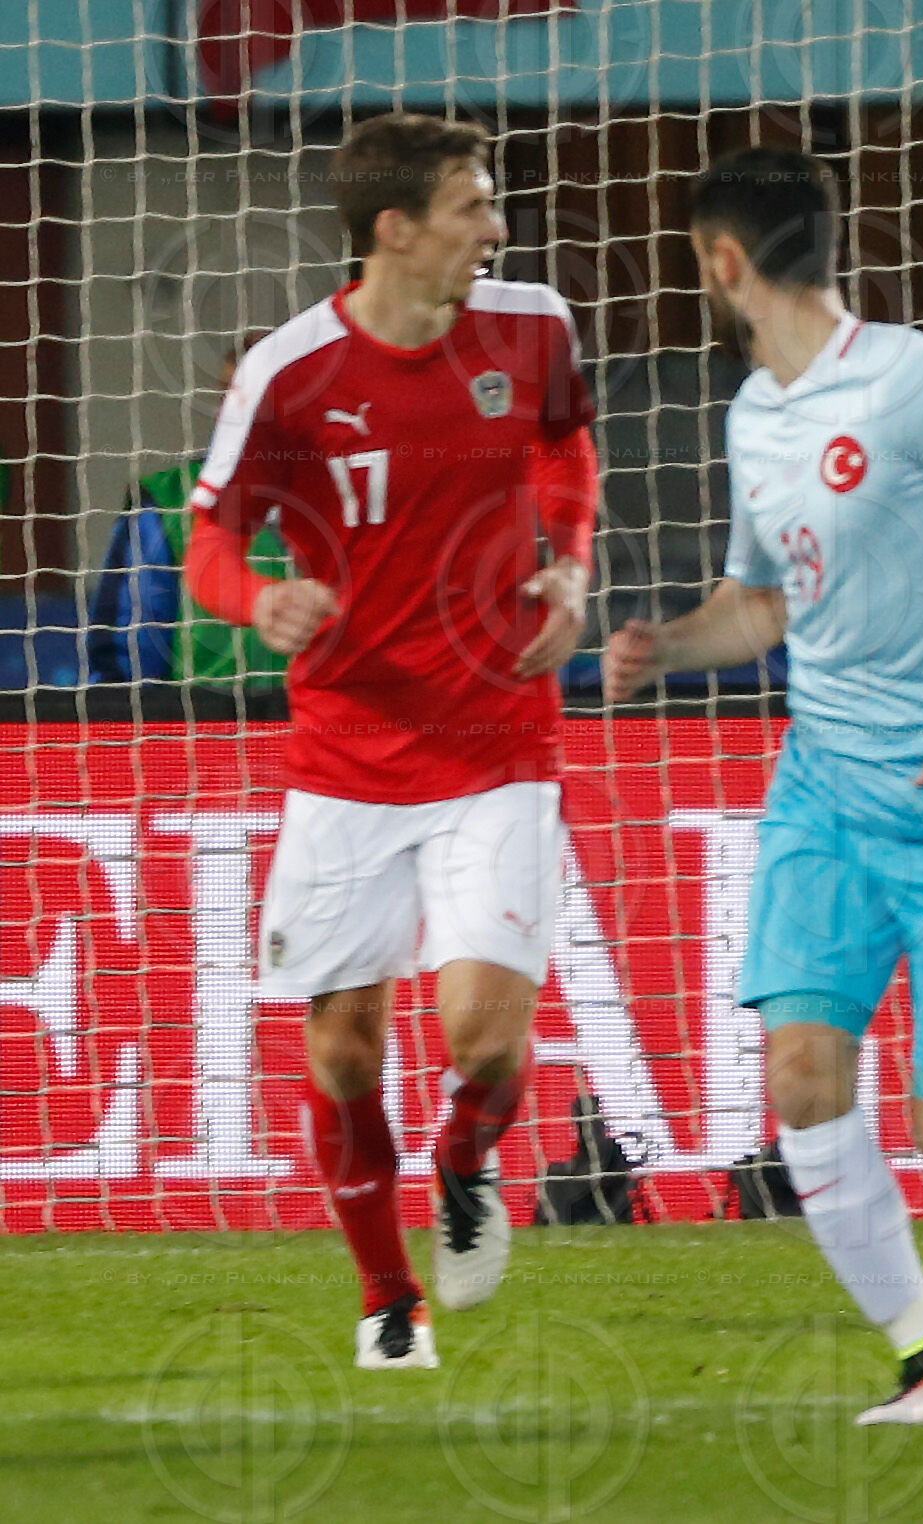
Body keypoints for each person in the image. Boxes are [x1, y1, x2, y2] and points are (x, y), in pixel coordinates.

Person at [604, 147, 923, 1424]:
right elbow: (763, 604)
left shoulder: (917, 382)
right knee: (802, 1072)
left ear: (723, 261)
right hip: (821, 789)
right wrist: (667, 648)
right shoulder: (751, 413)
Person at [184, 112, 598, 1367]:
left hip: (497, 740)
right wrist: (259, 600)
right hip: (349, 754)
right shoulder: (289, 373)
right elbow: (208, 537)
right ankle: (386, 1302)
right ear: (396, 231)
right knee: (344, 1050)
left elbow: (565, 443)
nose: (500, 228)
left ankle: (465, 1160)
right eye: (476, 206)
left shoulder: (533, 328)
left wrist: (570, 566)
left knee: (484, 1041)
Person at [87, 341, 294, 690]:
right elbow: (124, 661)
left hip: (322, 728)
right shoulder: (167, 500)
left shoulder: (345, 492)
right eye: (236, 394)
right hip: (200, 736)